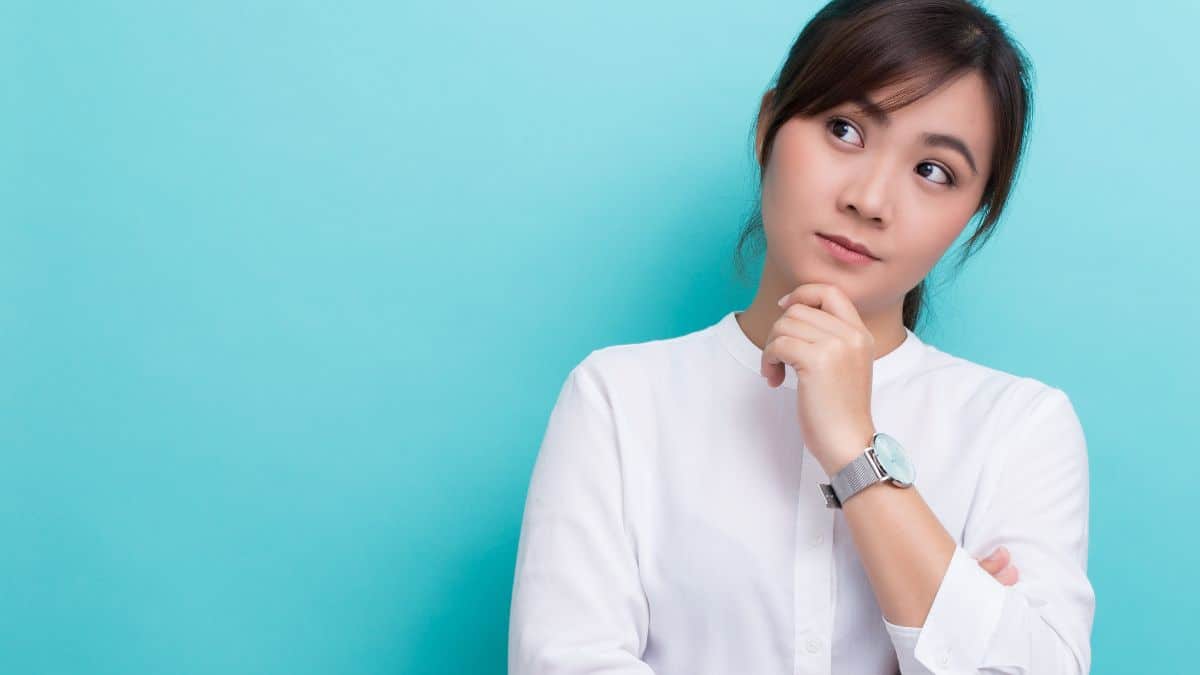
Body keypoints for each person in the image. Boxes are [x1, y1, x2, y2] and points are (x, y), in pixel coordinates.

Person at [508, 0, 1095, 673]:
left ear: (973, 213)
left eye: (934, 171)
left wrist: (856, 451)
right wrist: (954, 610)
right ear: (768, 126)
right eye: (845, 129)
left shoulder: (1017, 427)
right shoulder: (617, 401)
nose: (870, 198)